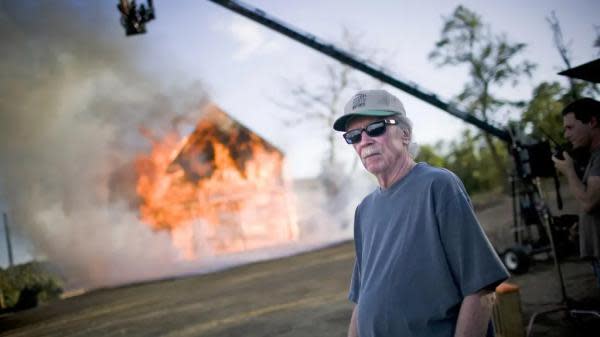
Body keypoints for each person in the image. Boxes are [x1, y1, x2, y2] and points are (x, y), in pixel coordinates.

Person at [333, 89, 509, 337]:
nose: (365, 141)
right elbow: (363, 297)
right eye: (353, 136)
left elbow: (480, 287)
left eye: (375, 128)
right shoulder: (365, 210)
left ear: (405, 134)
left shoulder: (438, 185)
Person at [552, 97, 600, 288]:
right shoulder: (593, 157)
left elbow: (589, 202)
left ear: (592, 122)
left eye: (570, 128)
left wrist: (569, 171)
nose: (566, 135)